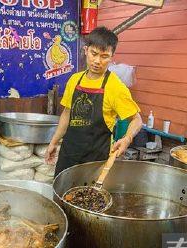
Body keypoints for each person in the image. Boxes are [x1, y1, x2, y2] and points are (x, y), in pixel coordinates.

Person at [45, 27, 143, 176]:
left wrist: (127, 139)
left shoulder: (115, 87)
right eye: (94, 54)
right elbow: (67, 114)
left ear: (112, 56)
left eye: (104, 56)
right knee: (60, 194)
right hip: (68, 155)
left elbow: (137, 120)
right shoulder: (74, 80)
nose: (97, 61)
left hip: (96, 161)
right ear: (86, 50)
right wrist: (54, 142)